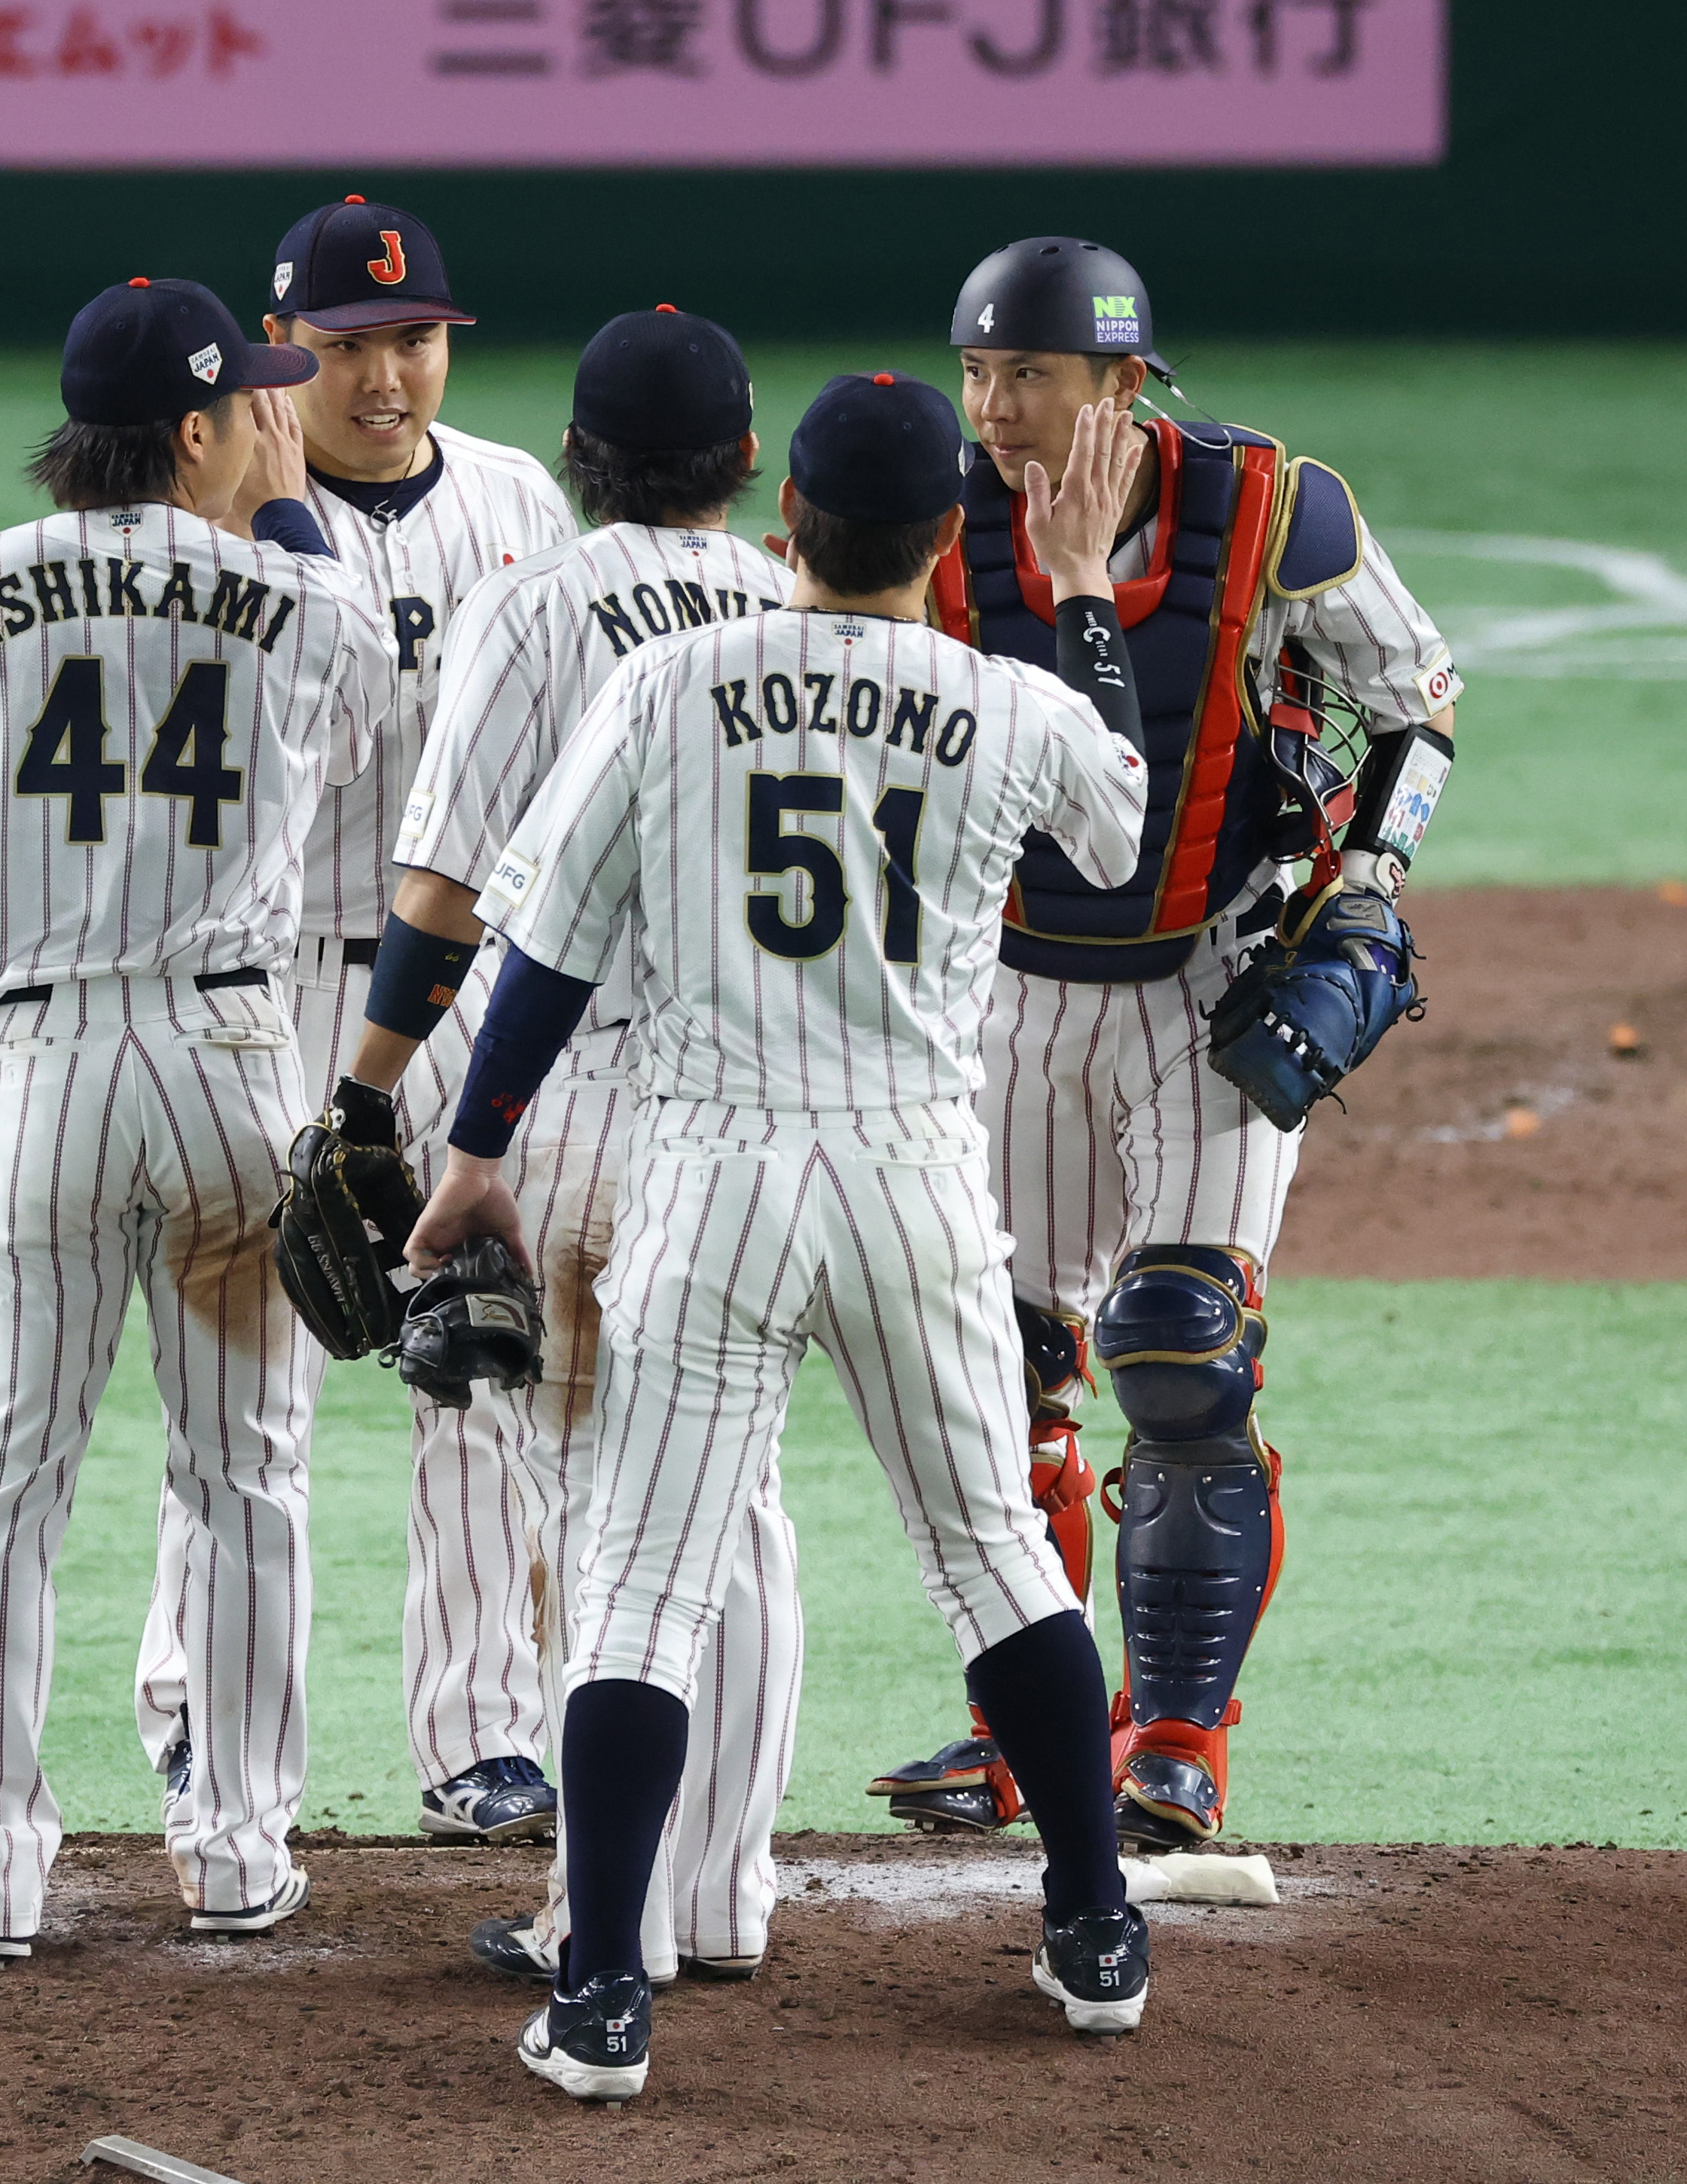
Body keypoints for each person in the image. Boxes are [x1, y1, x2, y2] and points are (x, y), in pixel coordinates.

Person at [407, 374, 1160, 2100]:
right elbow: (1118, 836)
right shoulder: (999, 697)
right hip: (912, 1179)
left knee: (643, 1585)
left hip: (714, 1173)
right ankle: (1092, 1923)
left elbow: (549, 951)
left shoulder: (668, 683)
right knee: (992, 1552)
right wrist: (1081, 590)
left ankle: (606, 1994)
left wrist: (476, 1150)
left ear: (788, 524)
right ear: (946, 540)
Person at [0, 276, 386, 1958]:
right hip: (222, 1070)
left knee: (2, 1482)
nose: (276, 423)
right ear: (196, 432)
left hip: (35, 1083)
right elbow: (359, 691)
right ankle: (237, 1847)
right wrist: (286, 504)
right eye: (251, 407)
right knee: (245, 1475)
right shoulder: (295, 595)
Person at [869, 238, 1462, 1850]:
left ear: (1123, 384)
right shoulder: (928, 515)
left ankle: (1179, 1736)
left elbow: (1417, 698)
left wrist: (1369, 880)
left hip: (1210, 985)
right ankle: (1019, 1727)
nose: (993, 406)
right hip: (1007, 991)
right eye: (976, 372)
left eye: (1029, 374)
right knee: (1004, 1369)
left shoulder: (1271, 509)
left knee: (1180, 1350)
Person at [347, 307, 801, 1982]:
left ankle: (603, 1910)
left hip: (580, 1110)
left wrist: (365, 1096)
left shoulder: (529, 606)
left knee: (596, 1507)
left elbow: (444, 891)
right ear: (743, 460)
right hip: (765, 1114)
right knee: (738, 1499)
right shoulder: (801, 605)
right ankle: (723, 1892)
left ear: (573, 461)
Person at [135, 196, 579, 1847]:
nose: (386, 377)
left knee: (476, 1351)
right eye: (346, 347)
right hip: (274, 982)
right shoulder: (215, 513)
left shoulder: (519, 503)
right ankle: (200, 1712)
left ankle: (481, 1733)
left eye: (414, 341)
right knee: (245, 1369)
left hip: (472, 991)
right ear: (282, 352)